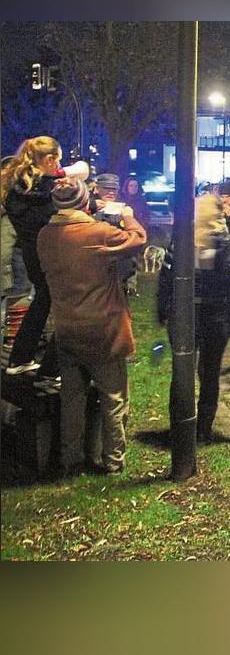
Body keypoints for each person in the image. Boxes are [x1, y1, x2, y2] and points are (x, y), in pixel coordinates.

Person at [37, 177, 146, 475]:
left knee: (72, 398)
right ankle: (113, 460)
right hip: (104, 329)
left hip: (67, 327)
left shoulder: (45, 236)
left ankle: (70, 459)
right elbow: (138, 239)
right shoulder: (96, 232)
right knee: (113, 398)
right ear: (85, 202)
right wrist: (126, 215)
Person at [158, 194, 230, 442]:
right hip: (215, 318)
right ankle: (203, 430)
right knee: (209, 374)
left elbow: (165, 278)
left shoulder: (182, 241)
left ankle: (180, 425)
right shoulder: (228, 245)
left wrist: (162, 310)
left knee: (182, 372)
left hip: (183, 316)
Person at [1, 137, 62, 377]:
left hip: (30, 253)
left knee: (42, 301)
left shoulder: (16, 185)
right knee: (61, 304)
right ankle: (50, 367)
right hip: (47, 253)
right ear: (48, 160)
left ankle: (20, 358)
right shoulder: (43, 191)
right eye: (57, 161)